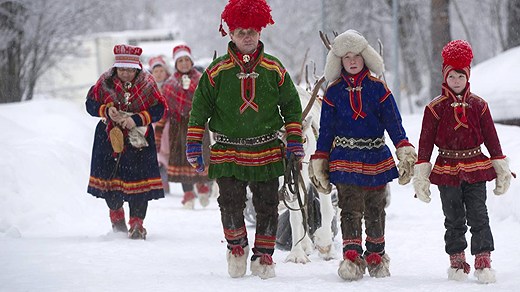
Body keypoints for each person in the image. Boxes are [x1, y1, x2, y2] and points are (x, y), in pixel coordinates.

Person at [185, 0, 304, 279]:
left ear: (261, 32)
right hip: (226, 149)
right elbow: (199, 108)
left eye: (252, 31)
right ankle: (236, 247)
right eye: (240, 32)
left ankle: (264, 256)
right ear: (230, 34)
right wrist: (193, 143)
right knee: (229, 202)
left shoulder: (275, 69)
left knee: (267, 205)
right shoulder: (216, 71)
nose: (247, 37)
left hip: (266, 148)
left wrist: (295, 138)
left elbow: (291, 105)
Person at [308, 30, 417, 281]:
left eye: (356, 55)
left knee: (376, 208)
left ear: (365, 57)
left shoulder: (378, 89)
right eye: (347, 57)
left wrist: (403, 147)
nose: (353, 61)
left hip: (375, 156)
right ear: (340, 62)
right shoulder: (333, 92)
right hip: (344, 158)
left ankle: (376, 256)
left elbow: (394, 122)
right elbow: (326, 131)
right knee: (349, 208)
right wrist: (320, 158)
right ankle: (352, 257)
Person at [413, 40, 513, 284]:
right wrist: (421, 174)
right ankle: (457, 259)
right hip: (447, 167)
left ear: (467, 76)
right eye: (451, 76)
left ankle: (483, 257)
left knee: (479, 214)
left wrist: (500, 167)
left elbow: (491, 137)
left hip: (476, 166)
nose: (456, 81)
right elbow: (425, 142)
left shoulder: (479, 105)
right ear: (444, 76)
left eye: (460, 76)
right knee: (453, 216)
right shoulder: (435, 108)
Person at [85, 44, 167, 240]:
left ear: (137, 68)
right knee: (111, 183)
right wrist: (106, 110)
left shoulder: (147, 83)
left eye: (130, 70)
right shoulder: (105, 82)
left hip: (137, 139)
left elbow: (159, 109)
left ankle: (137, 223)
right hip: (109, 138)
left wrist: (136, 119)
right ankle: (117, 216)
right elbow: (90, 104)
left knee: (139, 184)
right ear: (116, 68)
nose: (126, 73)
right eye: (122, 69)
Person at [156, 44, 213, 209]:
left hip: (198, 124)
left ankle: (202, 186)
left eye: (186, 60)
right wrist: (158, 133)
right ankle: (188, 194)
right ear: (175, 64)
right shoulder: (169, 84)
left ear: (191, 61)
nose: (184, 63)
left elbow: (209, 100)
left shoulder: (201, 79)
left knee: (200, 155)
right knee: (182, 160)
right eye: (180, 60)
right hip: (177, 127)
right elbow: (164, 108)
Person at [148, 55, 171, 194]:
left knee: (166, 149)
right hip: (153, 122)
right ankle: (162, 184)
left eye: (161, 71)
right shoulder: (149, 88)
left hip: (168, 122)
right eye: (155, 71)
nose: (159, 74)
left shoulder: (171, 85)